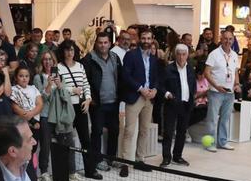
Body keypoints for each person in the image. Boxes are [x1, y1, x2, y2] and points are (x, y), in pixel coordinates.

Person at [57, 39, 99, 180]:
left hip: (81, 106)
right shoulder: (58, 67)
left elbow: (86, 84)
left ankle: (90, 170)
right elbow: (57, 87)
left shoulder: (80, 66)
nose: (70, 53)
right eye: (67, 50)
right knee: (66, 140)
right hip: (67, 107)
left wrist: (88, 100)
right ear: (62, 51)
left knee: (85, 140)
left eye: (72, 50)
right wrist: (72, 90)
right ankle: (66, 171)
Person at [82, 31, 122, 172]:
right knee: (97, 131)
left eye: (105, 42)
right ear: (96, 43)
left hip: (113, 101)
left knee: (114, 130)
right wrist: (90, 98)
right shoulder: (89, 59)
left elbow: (120, 77)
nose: (103, 45)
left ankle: (111, 158)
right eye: (100, 42)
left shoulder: (115, 57)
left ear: (110, 44)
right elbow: (85, 80)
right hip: (97, 103)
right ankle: (98, 159)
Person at [120, 29, 160, 161]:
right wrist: (140, 88)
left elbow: (156, 77)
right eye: (143, 38)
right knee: (129, 131)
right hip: (135, 96)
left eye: (148, 38)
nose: (146, 41)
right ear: (139, 39)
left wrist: (155, 89)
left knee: (144, 130)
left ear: (152, 40)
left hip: (149, 98)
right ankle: (126, 162)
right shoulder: (131, 55)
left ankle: (140, 159)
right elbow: (126, 75)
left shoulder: (153, 58)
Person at [158, 44, 197, 166]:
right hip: (172, 104)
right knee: (168, 132)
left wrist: (193, 96)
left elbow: (193, 84)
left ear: (187, 55)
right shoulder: (168, 69)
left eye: (183, 54)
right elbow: (160, 86)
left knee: (182, 132)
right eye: (179, 54)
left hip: (186, 104)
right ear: (175, 55)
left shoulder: (190, 68)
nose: (181, 57)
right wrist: (167, 94)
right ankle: (166, 157)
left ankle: (177, 156)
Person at [203, 30, 240, 150]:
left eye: (230, 39)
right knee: (212, 119)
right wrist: (216, 86)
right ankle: (210, 144)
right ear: (221, 39)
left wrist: (237, 84)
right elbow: (207, 73)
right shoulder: (214, 54)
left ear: (233, 40)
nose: (228, 41)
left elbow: (235, 72)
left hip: (230, 93)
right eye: (225, 39)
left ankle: (222, 142)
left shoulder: (234, 55)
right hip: (215, 92)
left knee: (225, 119)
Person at [10, 67, 44, 181]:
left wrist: (31, 115)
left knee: (33, 150)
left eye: (26, 76)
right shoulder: (14, 89)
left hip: (35, 124)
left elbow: (40, 104)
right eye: (21, 76)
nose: (24, 78)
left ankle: (32, 176)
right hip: (23, 125)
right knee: (22, 150)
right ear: (16, 77)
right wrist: (30, 119)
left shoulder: (33, 88)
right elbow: (15, 107)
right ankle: (21, 175)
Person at [32, 50, 59, 181]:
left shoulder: (59, 76)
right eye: (45, 59)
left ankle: (61, 170)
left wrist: (59, 85)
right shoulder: (38, 78)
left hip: (58, 115)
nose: (48, 62)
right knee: (45, 144)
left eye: (50, 59)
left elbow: (63, 93)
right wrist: (48, 84)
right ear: (42, 62)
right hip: (44, 115)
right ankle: (44, 172)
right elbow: (41, 99)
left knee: (61, 143)